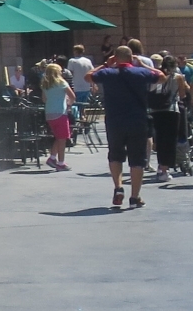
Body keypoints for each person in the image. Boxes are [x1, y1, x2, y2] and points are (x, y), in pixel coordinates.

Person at [93, 45, 160, 209]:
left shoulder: (108, 73)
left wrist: (106, 64)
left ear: (115, 58)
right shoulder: (140, 72)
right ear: (131, 58)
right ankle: (135, 197)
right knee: (137, 159)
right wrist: (143, 65)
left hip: (114, 120)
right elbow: (162, 77)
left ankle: (118, 187)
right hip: (137, 120)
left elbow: (89, 76)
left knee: (115, 155)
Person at [150, 56, 184, 180]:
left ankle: (160, 166)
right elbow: (182, 94)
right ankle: (165, 169)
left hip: (156, 110)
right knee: (170, 141)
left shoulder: (157, 76)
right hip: (171, 110)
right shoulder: (178, 77)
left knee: (159, 139)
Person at [41, 62, 74, 172]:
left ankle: (52, 157)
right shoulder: (61, 82)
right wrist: (69, 104)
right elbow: (72, 96)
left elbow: (44, 99)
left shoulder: (45, 84)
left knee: (58, 137)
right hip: (60, 113)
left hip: (49, 113)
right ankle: (61, 163)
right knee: (63, 139)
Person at [64, 44, 96, 111]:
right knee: (83, 106)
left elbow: (70, 74)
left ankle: (79, 116)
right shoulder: (88, 61)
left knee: (75, 107)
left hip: (76, 87)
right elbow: (92, 73)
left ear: (75, 51)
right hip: (86, 87)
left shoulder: (72, 61)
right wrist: (93, 85)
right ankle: (82, 115)